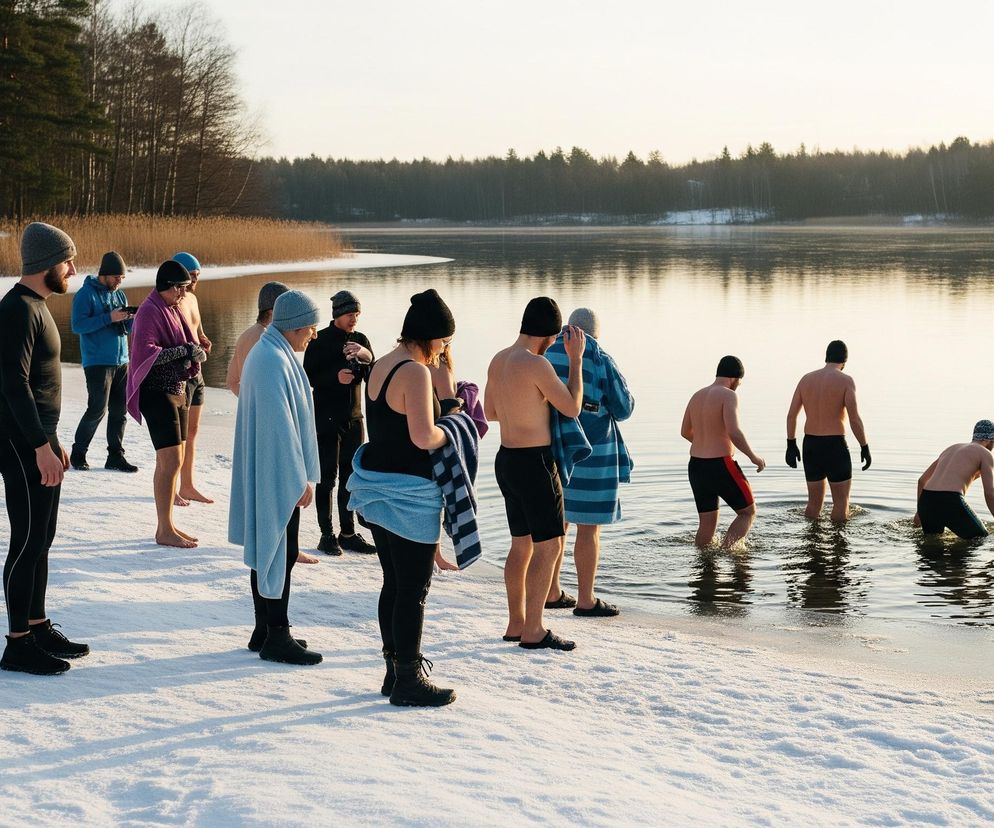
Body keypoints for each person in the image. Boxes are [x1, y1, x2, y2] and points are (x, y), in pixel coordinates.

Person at [347, 289, 457, 706]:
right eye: (444, 340)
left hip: (377, 487)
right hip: (409, 493)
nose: (444, 348)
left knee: (393, 583)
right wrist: (456, 426)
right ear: (429, 335)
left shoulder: (381, 364)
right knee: (413, 589)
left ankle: (394, 672)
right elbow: (423, 437)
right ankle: (409, 680)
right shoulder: (415, 372)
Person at [0, 222, 89, 676]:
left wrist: (52, 441)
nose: (72, 269)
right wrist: (38, 445)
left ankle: (36, 625)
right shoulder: (16, 309)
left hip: (38, 438)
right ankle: (17, 644)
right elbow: (13, 385)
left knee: (44, 537)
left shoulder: (36, 305)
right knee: (27, 539)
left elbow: (39, 385)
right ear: (46, 263)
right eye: (67, 261)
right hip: (19, 442)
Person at [484, 296, 586, 651]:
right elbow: (572, 407)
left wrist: (524, 406)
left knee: (521, 543)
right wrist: (575, 361)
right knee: (551, 544)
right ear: (549, 334)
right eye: (555, 339)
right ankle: (534, 629)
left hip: (506, 460)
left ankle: (516, 623)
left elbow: (490, 412)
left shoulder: (498, 359)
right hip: (535, 462)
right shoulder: (536, 363)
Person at [229, 291, 323, 665]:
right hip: (276, 472)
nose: (314, 334)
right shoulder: (271, 360)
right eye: (311, 327)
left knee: (272, 548)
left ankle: (265, 630)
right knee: (278, 549)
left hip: (269, 469)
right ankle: (276, 636)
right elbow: (279, 429)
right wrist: (298, 478)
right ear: (296, 326)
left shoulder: (271, 352)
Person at [544, 307, 634, 617]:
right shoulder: (600, 358)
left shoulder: (544, 352)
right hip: (594, 454)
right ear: (595, 334)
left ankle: (551, 591)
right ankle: (586, 599)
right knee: (588, 529)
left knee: (558, 524)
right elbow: (623, 408)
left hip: (555, 449)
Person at [126, 260, 204, 549]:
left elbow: (181, 345)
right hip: (156, 392)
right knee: (169, 460)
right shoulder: (149, 310)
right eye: (180, 288)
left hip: (177, 388)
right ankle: (164, 529)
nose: (184, 293)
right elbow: (146, 353)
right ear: (168, 286)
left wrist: (194, 351)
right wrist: (184, 350)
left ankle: (167, 525)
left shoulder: (171, 307)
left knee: (175, 460)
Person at [302, 290, 375, 556]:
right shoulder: (319, 340)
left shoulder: (361, 340)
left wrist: (365, 355)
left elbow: (374, 375)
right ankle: (326, 535)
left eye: (357, 314)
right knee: (327, 478)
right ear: (337, 314)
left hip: (355, 417)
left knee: (350, 478)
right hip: (327, 418)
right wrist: (335, 377)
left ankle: (348, 533)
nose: (354, 318)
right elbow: (307, 377)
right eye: (350, 314)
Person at [680, 355, 765, 549]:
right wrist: (754, 457)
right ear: (734, 378)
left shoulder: (697, 395)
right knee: (748, 512)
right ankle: (728, 551)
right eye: (739, 382)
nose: (738, 385)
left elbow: (685, 431)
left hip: (696, 466)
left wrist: (705, 442)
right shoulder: (729, 395)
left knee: (706, 525)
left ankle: (703, 562)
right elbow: (734, 431)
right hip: (720, 465)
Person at [785, 340, 870, 521]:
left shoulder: (806, 379)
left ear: (826, 357)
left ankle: (811, 537)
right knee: (841, 503)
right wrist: (864, 446)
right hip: (834, 445)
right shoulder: (846, 381)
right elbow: (854, 419)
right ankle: (839, 539)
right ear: (844, 361)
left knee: (814, 504)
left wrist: (791, 444)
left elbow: (791, 416)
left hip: (810, 445)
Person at [69, 251, 138, 473]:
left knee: (120, 411)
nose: (119, 282)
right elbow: (78, 326)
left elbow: (125, 328)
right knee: (97, 409)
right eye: (117, 277)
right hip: (97, 362)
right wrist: (109, 317)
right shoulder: (85, 295)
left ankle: (115, 457)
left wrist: (132, 319)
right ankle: (78, 454)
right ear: (105, 274)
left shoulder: (120, 295)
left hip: (122, 361)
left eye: (122, 278)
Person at [172, 251, 212, 505]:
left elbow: (198, 330)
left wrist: (204, 339)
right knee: (177, 435)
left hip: (198, 374)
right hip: (182, 374)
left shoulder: (193, 299)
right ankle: (172, 487)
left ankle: (187, 485)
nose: (195, 279)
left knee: (193, 431)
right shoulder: (173, 302)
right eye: (192, 275)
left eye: (198, 275)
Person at [913, 420, 994, 539]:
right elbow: (990, 493)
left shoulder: (951, 448)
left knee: (931, 545)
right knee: (980, 538)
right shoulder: (985, 453)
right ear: (990, 440)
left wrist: (919, 512)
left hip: (927, 501)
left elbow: (922, 480)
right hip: (950, 500)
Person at [225, 281, 290, 397]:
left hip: (253, 405)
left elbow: (231, 381)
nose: (289, 315)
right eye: (286, 309)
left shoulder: (245, 335)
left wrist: (248, 401)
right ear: (272, 312)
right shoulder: (267, 339)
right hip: (269, 405)